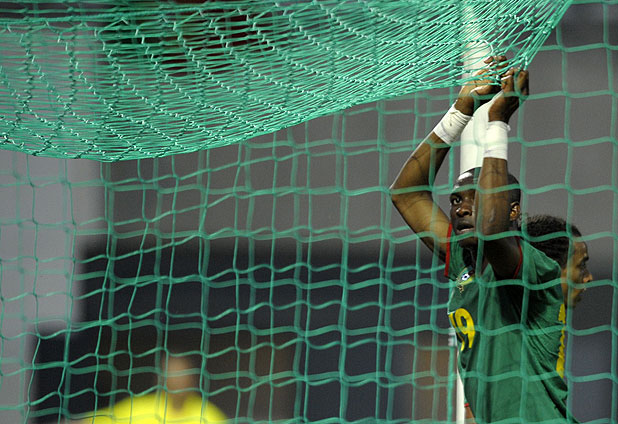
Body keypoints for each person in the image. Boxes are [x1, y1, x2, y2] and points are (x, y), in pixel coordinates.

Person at [390, 57, 587, 423]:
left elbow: (493, 230)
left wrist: (497, 122)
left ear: (514, 210)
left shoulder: (532, 269)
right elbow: (406, 193)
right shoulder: (464, 265)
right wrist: (461, 110)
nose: (461, 208)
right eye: (455, 201)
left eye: (475, 198)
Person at [80, 348, 227, 424]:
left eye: (182, 375)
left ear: (192, 380)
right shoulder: (137, 409)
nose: (177, 381)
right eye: (172, 374)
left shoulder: (208, 415)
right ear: (160, 379)